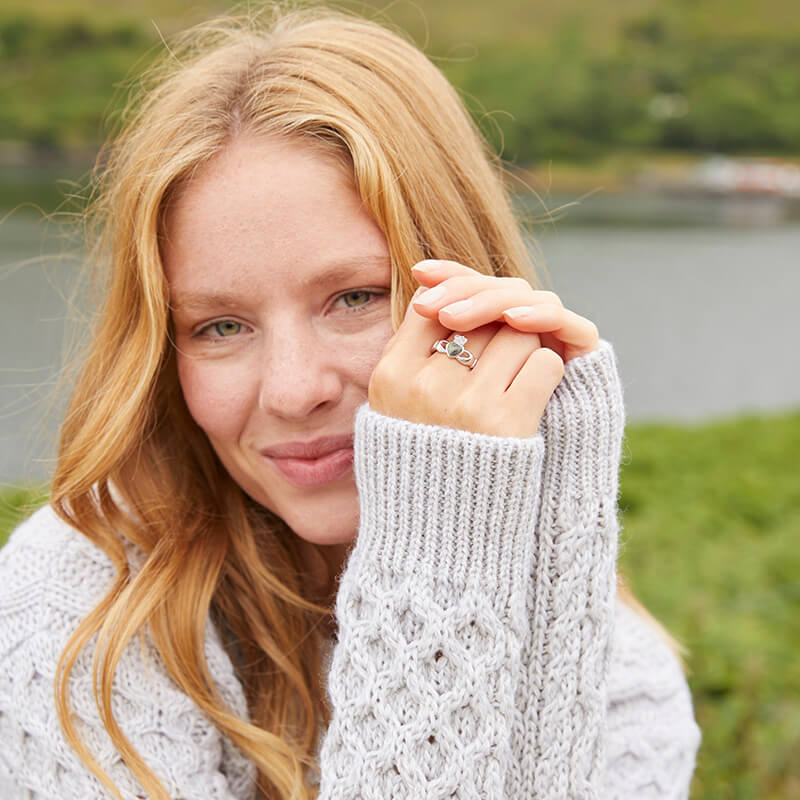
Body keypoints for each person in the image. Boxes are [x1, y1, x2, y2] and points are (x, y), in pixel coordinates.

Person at [0, 7, 701, 799]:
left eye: (356, 297)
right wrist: (431, 571)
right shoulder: (75, 618)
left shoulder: (621, 678)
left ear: (479, 299)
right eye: (220, 326)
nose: (295, 390)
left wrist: (527, 529)